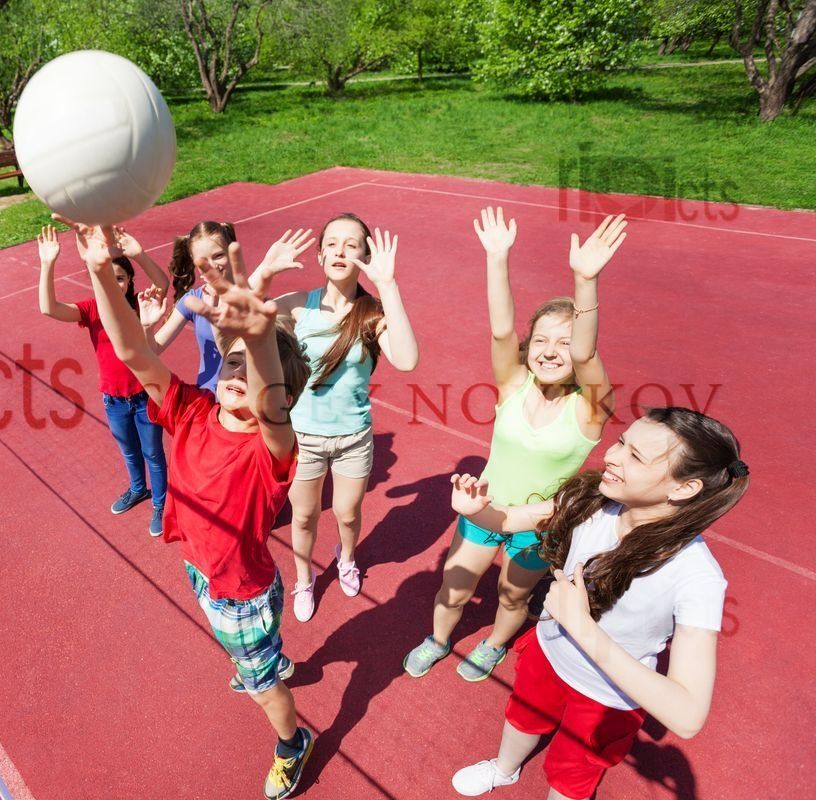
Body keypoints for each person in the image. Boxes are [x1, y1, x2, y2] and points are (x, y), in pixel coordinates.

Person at [66, 217, 317, 800]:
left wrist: (259, 338)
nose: (237, 375)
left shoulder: (271, 448)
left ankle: (291, 742)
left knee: (260, 686)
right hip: (203, 572)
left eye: (250, 370)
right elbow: (132, 349)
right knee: (254, 658)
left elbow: (272, 404)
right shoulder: (191, 410)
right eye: (231, 362)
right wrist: (101, 272)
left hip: (242, 593)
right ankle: (266, 660)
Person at [445, 408, 748, 799]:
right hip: (549, 654)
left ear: (684, 488)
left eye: (635, 457)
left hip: (607, 696)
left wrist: (581, 627)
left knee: (573, 774)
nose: (611, 455)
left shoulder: (698, 577)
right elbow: (508, 520)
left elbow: (688, 716)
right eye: (622, 442)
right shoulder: (592, 501)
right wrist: (478, 511)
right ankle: (504, 770)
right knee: (522, 717)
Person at [404, 209, 627, 681]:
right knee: (454, 586)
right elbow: (502, 330)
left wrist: (585, 281)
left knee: (512, 595)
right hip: (484, 508)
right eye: (541, 339)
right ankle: (438, 640)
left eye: (563, 343)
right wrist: (496, 257)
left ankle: (492, 643)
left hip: (538, 522)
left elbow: (587, 354)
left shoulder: (590, 409)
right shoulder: (513, 384)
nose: (550, 350)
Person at [251, 212, 418, 622]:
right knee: (305, 516)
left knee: (347, 513)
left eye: (352, 244)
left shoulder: (373, 313)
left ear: (365, 255)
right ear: (320, 253)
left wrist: (389, 284)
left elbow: (408, 360)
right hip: (302, 438)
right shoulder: (296, 307)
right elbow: (247, 315)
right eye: (333, 243)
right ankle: (304, 579)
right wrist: (265, 273)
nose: (341, 250)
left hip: (353, 439)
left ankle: (346, 558)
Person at [36, 224, 170, 534]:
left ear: (129, 281)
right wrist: (48, 264)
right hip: (113, 400)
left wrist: (139, 254)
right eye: (108, 277)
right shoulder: (93, 309)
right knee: (129, 451)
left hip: (145, 397)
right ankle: (138, 489)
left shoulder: (140, 306)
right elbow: (49, 309)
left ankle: (161, 505)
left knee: (153, 453)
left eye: (120, 277)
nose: (115, 282)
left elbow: (162, 283)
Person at [142, 221, 314, 393]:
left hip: (247, 395)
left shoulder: (249, 297)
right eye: (202, 261)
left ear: (230, 252)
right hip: (209, 400)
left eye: (218, 256)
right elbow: (152, 350)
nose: (212, 265)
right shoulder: (193, 301)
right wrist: (147, 328)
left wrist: (267, 266)